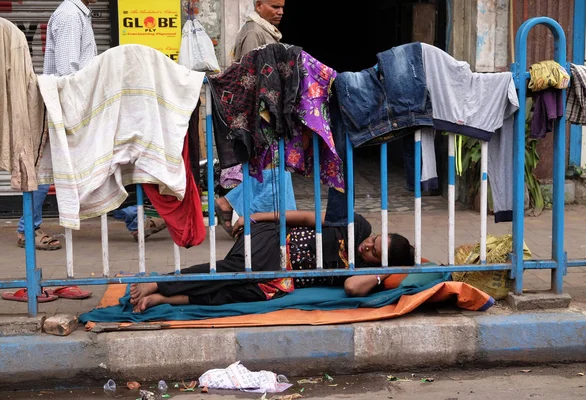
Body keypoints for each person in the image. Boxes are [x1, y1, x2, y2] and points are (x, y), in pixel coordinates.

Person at [15, 0, 165, 248]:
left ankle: (134, 221)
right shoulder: (70, 16)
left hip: (71, 105)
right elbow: (68, 72)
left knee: (96, 167)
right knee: (47, 169)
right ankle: (26, 230)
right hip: (66, 107)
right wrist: (82, 113)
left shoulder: (78, 14)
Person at [129, 211, 415, 312]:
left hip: (282, 278)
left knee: (242, 294)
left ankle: (165, 298)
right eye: (374, 240)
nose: (367, 245)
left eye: (373, 252)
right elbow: (305, 217)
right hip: (275, 243)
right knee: (238, 271)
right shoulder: (357, 224)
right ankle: (159, 282)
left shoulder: (366, 275)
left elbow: (352, 288)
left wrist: (380, 273)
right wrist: (260, 216)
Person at [214, 0, 297, 236]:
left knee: (274, 171)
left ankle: (267, 224)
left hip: (269, 115)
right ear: (259, 5)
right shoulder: (253, 33)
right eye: (274, 6)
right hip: (261, 117)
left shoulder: (265, 31)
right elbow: (251, 78)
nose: (280, 11)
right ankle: (250, 217)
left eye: (282, 7)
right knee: (270, 170)